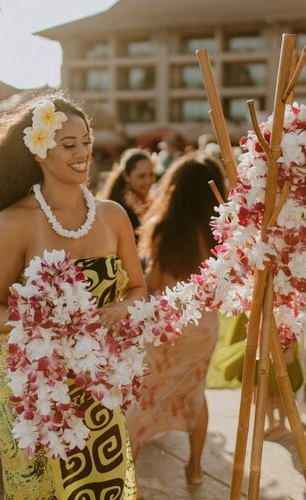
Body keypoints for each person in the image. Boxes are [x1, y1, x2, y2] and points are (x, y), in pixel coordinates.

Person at [0, 90, 146, 499]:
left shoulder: (113, 216)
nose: (83, 153)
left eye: (86, 142)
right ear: (39, 150)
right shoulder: (14, 223)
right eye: (68, 145)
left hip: (96, 386)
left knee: (104, 488)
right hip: (35, 395)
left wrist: (118, 311)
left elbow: (137, 288)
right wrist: (43, 323)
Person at [126, 153, 227, 487]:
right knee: (196, 394)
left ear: (175, 190)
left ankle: (130, 477)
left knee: (145, 396)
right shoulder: (222, 231)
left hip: (167, 324)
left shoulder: (164, 229)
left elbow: (152, 283)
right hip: (205, 327)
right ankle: (195, 470)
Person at [100, 148, 156, 238]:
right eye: (141, 176)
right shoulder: (118, 208)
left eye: (151, 174)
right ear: (126, 176)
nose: (148, 181)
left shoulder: (151, 200)